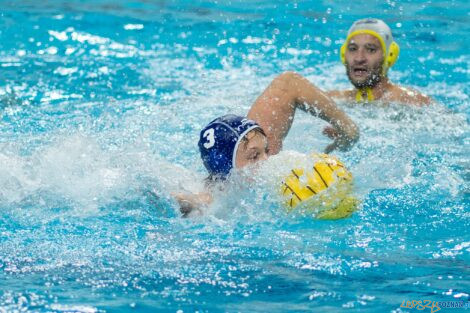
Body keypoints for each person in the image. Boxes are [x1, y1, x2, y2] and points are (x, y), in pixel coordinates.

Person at [174, 78, 359, 216]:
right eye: (254, 156)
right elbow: (181, 198)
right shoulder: (214, 201)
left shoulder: (256, 145)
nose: (268, 160)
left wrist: (349, 131)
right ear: (226, 169)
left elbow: (289, 83)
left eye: (267, 150)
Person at [326, 18, 432, 105]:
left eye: (371, 50)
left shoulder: (414, 103)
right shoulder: (330, 102)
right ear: (343, 54)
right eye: (353, 49)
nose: (359, 58)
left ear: (390, 56)